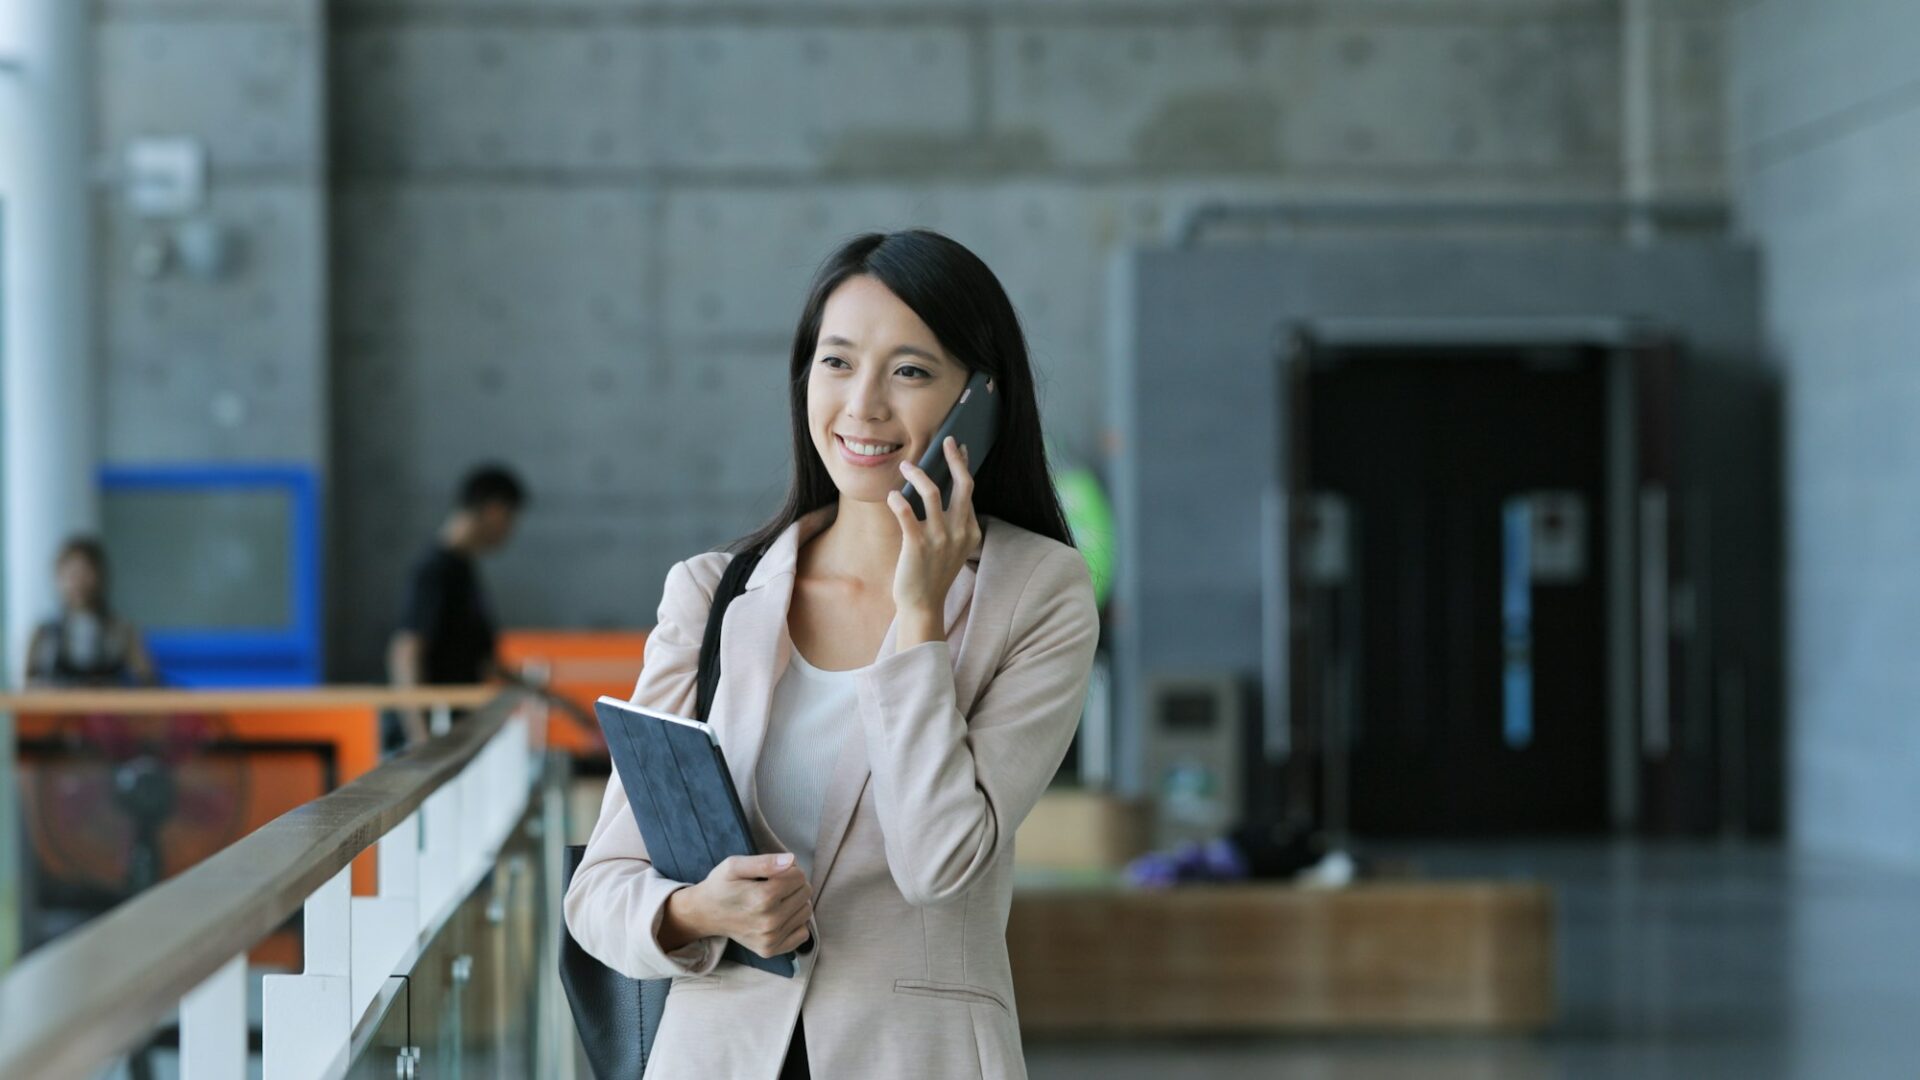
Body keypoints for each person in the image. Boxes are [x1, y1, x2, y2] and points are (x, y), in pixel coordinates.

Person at [564, 230, 1099, 1078]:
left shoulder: (1036, 593)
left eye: (912, 371)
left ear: (980, 403)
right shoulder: (715, 595)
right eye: (838, 362)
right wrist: (701, 910)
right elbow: (598, 892)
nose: (864, 406)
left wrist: (919, 614)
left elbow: (938, 864)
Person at [385, 463, 527, 749]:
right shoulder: (435, 570)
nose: (510, 531)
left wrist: (540, 692)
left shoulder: (463, 570)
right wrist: (420, 738)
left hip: (450, 733)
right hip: (427, 740)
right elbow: (405, 651)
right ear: (494, 510)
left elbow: (481, 659)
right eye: (510, 519)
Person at [24, 536, 157, 688]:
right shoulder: (44, 633)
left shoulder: (120, 630)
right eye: (71, 574)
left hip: (106, 709)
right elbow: (28, 686)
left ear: (99, 576)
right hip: (57, 709)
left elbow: (148, 678)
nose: (78, 582)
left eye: (85, 573)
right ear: (58, 578)